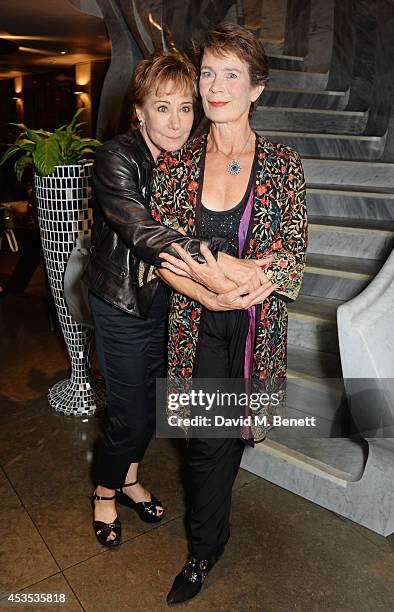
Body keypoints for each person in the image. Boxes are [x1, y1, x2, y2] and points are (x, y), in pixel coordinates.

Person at [82, 49, 271, 548]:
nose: (175, 121)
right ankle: (105, 491)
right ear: (138, 110)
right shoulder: (116, 157)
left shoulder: (191, 160)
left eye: (185, 108)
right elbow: (146, 232)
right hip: (122, 304)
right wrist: (226, 265)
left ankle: (129, 479)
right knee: (133, 415)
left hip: (170, 302)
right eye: (161, 108)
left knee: (158, 409)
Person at [149, 24, 308, 604]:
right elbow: (164, 254)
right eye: (208, 73)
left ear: (256, 88)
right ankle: (208, 537)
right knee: (203, 441)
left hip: (256, 327)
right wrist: (211, 286)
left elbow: (292, 254)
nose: (215, 87)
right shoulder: (177, 162)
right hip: (194, 325)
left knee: (226, 439)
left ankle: (202, 549)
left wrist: (231, 274)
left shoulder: (284, 164)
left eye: (231, 74)